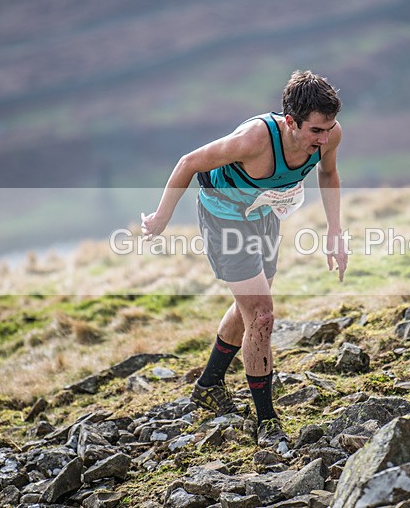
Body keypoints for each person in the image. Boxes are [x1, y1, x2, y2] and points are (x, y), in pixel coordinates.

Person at [141, 70, 348, 448]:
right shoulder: (254, 140)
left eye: (329, 128)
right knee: (262, 314)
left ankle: (208, 385)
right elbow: (189, 162)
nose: (324, 139)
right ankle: (267, 421)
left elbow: (329, 173)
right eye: (316, 131)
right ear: (290, 122)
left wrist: (335, 231)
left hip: (263, 214)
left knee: (248, 307)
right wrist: (160, 218)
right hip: (223, 218)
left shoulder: (330, 134)